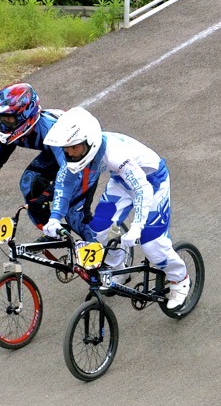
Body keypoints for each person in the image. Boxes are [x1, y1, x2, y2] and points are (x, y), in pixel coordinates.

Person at [42, 106, 191, 309]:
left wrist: (137, 226)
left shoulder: (116, 155)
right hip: (121, 182)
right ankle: (119, 269)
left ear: (90, 142)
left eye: (75, 148)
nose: (71, 154)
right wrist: (54, 217)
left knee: (151, 244)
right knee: (99, 230)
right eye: (67, 150)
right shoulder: (79, 152)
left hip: (152, 184)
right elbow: (64, 184)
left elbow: (142, 190)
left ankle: (179, 279)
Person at [0, 83, 68, 227]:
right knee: (28, 182)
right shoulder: (9, 134)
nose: (5, 123)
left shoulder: (52, 130)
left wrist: (47, 194)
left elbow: (70, 170)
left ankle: (99, 244)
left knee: (75, 212)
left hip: (80, 157)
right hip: (56, 155)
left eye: (9, 118)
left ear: (26, 113)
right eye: (2, 118)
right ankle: (49, 231)